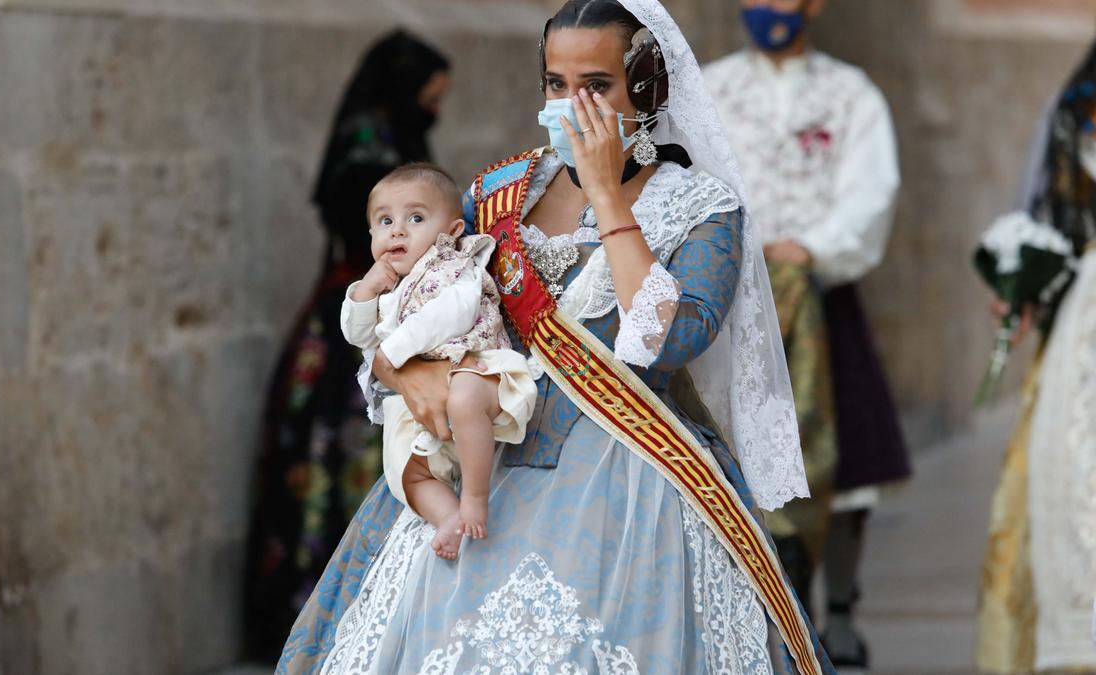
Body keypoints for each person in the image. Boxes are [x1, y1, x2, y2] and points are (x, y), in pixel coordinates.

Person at [274, 1, 837, 673]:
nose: (573, 105)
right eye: (555, 84)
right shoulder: (496, 193)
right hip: (483, 462)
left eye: (597, 86)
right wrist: (406, 374)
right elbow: (407, 307)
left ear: (647, 90)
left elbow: (667, 339)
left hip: (629, 481)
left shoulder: (703, 209)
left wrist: (605, 194)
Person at [705, 0, 911, 667]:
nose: (769, 8)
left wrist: (816, 247)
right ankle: (772, 607)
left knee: (848, 459)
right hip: (733, 304)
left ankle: (842, 606)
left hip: (822, 294)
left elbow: (871, 191)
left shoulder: (850, 94)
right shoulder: (708, 88)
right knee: (744, 454)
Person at [241, 30, 450, 661]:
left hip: (404, 316)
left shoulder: (393, 145)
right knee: (348, 456)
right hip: (367, 316)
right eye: (430, 98)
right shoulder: (367, 160)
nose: (435, 111)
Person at [340, 163, 535, 560]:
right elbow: (356, 335)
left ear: (451, 232)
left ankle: (475, 499)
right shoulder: (384, 283)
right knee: (409, 476)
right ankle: (448, 517)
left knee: (464, 398)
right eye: (385, 221)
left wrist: (392, 356)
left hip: (474, 367)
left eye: (415, 218)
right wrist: (364, 292)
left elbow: (454, 313)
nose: (398, 230)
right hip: (420, 402)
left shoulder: (453, 266)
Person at [975, 41, 1096, 675]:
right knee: (1071, 478)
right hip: (1088, 319)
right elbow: (1051, 215)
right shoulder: (1077, 103)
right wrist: (1024, 286)